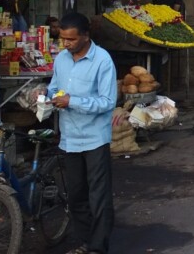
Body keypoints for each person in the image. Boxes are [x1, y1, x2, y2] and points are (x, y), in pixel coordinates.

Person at [48, 13, 117, 254]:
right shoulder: (61, 60)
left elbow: (107, 101)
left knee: (98, 196)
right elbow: (54, 87)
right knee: (76, 196)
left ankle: (98, 247)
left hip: (95, 138)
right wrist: (50, 97)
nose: (65, 44)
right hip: (69, 138)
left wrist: (72, 102)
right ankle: (86, 241)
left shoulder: (103, 60)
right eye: (63, 39)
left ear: (85, 36)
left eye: (71, 39)